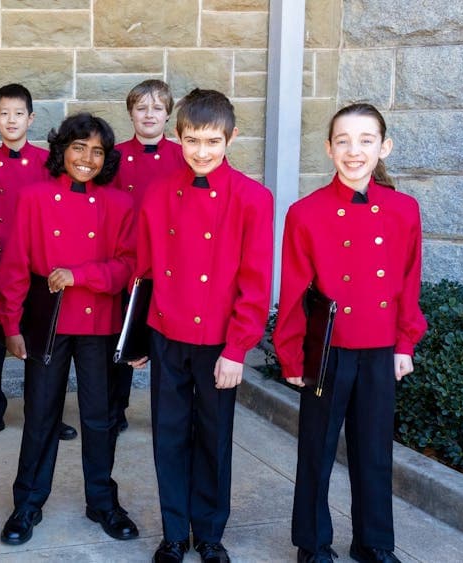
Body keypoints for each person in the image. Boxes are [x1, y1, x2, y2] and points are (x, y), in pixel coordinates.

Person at [274, 103, 426, 563]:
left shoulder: (403, 210)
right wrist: (291, 355)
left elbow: (408, 282)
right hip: (329, 351)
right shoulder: (306, 213)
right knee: (316, 450)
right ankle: (312, 543)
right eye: (343, 141)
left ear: (384, 147)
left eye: (365, 140)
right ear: (329, 148)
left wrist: (405, 343)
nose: (354, 151)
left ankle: (373, 542)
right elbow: (294, 291)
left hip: (379, 348)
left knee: (375, 451)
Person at [132, 89, 273, 563]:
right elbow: (144, 269)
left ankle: (210, 534)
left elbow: (255, 282)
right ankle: (174, 533)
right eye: (192, 140)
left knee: (214, 439)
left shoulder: (253, 198)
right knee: (168, 436)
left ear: (231, 138)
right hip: (166, 334)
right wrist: (138, 336)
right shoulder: (158, 192)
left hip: (218, 341)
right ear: (177, 136)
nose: (202, 151)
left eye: (213, 141)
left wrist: (237, 349)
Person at [0, 113, 138, 546]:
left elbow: (128, 267)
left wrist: (81, 275)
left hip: (99, 322)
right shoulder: (34, 198)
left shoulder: (119, 204)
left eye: (97, 151)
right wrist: (11, 323)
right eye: (78, 147)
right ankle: (27, 503)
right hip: (48, 323)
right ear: (62, 150)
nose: (87, 158)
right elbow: (15, 264)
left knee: (100, 417)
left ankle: (103, 501)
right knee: (40, 414)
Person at [0, 83, 78, 445]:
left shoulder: (49, 164)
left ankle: (44, 416)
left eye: (18, 113)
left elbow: (59, 216)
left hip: (38, 266)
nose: (11, 120)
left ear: (31, 118)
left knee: (41, 345)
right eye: (4, 114)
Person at [108, 79, 187, 433]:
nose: (149, 114)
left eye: (157, 108)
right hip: (128, 264)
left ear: (168, 114)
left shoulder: (183, 156)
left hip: (172, 266)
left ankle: (170, 415)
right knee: (124, 339)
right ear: (131, 114)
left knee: (169, 346)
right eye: (141, 108)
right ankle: (115, 409)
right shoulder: (115, 157)